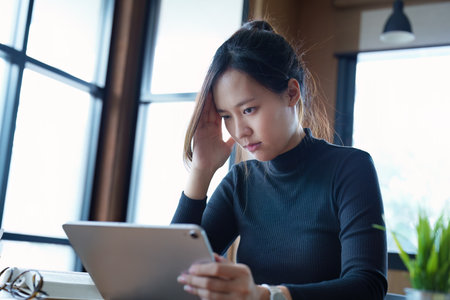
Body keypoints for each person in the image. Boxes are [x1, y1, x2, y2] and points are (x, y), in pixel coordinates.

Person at [172, 20, 387, 300]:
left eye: (249, 109)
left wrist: (265, 296)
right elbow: (174, 276)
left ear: (291, 93)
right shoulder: (240, 181)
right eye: (226, 116)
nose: (239, 131)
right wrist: (201, 170)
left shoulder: (350, 169)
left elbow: (368, 286)